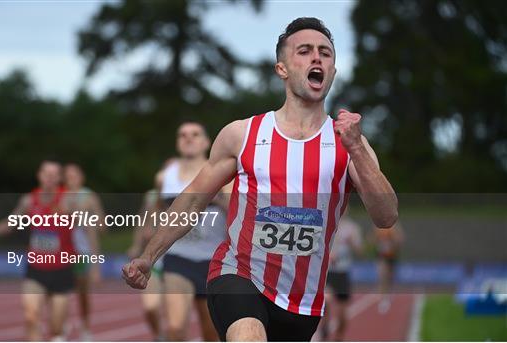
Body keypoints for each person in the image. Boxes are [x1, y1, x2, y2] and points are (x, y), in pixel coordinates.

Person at [123, 17, 398, 342]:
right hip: (238, 274)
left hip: (301, 301)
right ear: (282, 68)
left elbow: (386, 215)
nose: (316, 58)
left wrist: (357, 150)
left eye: (325, 53)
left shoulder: (350, 144)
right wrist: (148, 256)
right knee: (248, 334)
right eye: (305, 51)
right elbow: (194, 199)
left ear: (333, 71)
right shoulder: (242, 135)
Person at [139, 122, 230, 341]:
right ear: (178, 143)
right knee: (175, 326)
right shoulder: (165, 177)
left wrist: (217, 198)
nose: (188, 138)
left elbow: (238, 213)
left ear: (206, 142)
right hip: (178, 257)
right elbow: (158, 207)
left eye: (195, 134)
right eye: (183, 135)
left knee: (211, 332)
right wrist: (150, 227)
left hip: (212, 261)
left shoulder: (224, 174)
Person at [0, 160, 75, 341]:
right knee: (31, 316)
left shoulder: (68, 200)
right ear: (39, 175)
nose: (50, 178)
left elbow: (90, 222)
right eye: (46, 173)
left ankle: (59, 331)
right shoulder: (29, 200)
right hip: (36, 269)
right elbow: (10, 223)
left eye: (54, 174)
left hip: (61, 269)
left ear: (60, 178)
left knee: (57, 327)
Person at [63, 163, 106, 341]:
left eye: (74, 175)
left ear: (81, 177)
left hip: (83, 253)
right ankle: (62, 324)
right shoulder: (61, 197)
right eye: (68, 175)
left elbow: (103, 226)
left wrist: (87, 219)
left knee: (82, 294)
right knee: (60, 291)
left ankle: (85, 327)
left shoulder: (89, 197)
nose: (71, 178)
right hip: (63, 252)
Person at [319, 209, 363, 341]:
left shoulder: (353, 228)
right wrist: (328, 256)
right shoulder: (326, 223)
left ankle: (338, 339)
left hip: (343, 273)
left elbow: (360, 251)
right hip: (329, 272)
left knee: (343, 317)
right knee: (326, 301)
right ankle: (324, 328)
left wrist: (352, 243)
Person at [127, 189, 165, 341]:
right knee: (150, 307)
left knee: (178, 317)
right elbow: (142, 224)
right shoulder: (152, 197)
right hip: (156, 262)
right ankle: (159, 336)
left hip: (180, 263)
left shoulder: (190, 194)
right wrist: (136, 245)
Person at [372, 222, 403, 314]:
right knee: (382, 276)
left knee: (390, 277)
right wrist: (377, 241)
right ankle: (383, 299)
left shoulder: (395, 226)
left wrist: (394, 241)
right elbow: (373, 239)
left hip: (391, 255)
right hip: (381, 256)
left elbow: (400, 239)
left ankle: (389, 292)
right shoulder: (378, 226)